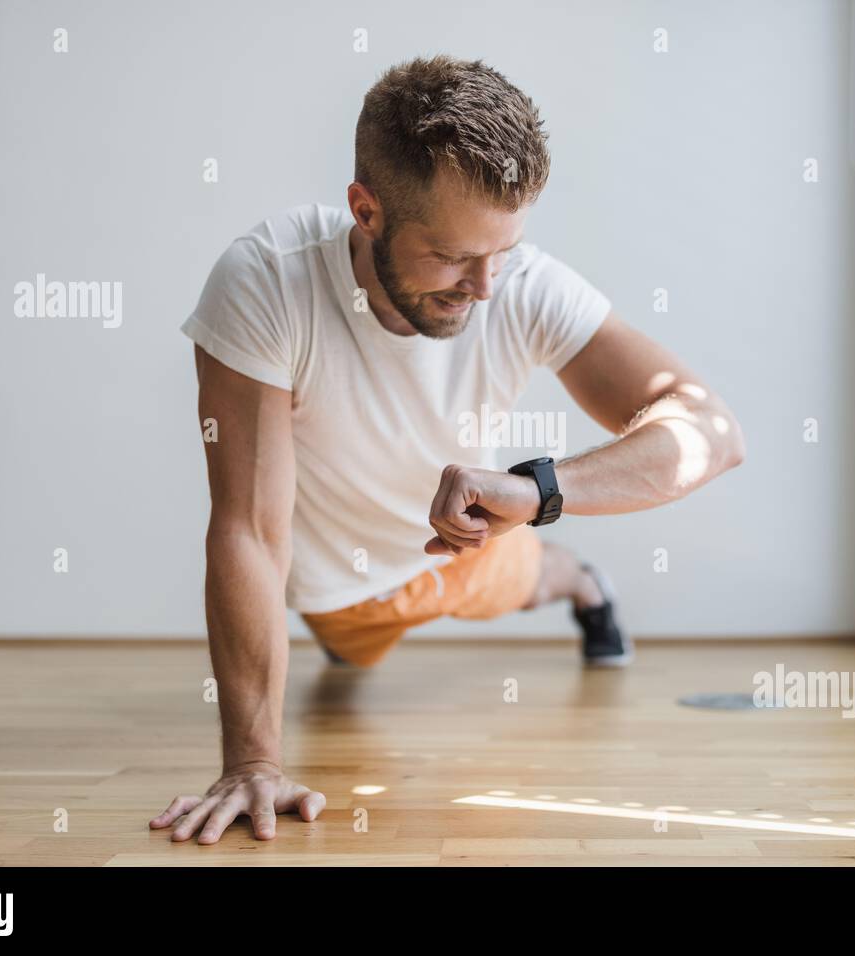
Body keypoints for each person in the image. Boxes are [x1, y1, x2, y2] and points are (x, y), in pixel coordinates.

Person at [150, 55, 745, 845]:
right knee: (350, 648)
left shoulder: (524, 284)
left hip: (459, 547)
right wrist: (252, 763)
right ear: (366, 210)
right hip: (336, 592)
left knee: (536, 574)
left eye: (503, 251)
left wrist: (537, 491)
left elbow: (711, 432)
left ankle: (586, 586)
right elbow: (249, 531)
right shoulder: (266, 283)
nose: (487, 286)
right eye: (455, 256)